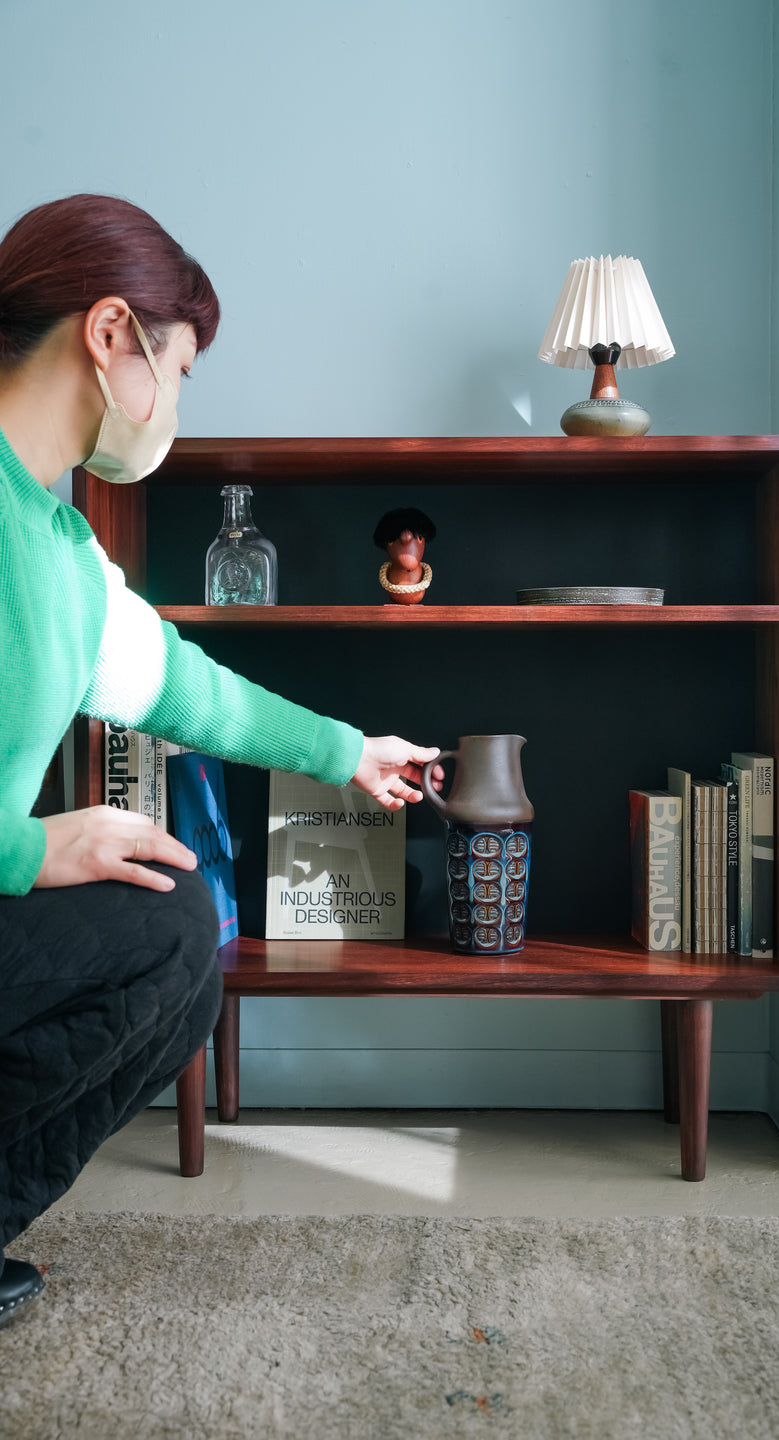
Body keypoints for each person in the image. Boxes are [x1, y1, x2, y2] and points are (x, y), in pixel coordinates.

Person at [0, 194, 440, 1326]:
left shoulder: (58, 548)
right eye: (181, 369)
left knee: (184, 935)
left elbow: (189, 691)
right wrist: (24, 844)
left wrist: (350, 753)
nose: (177, 405)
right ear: (111, 336)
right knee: (168, 930)